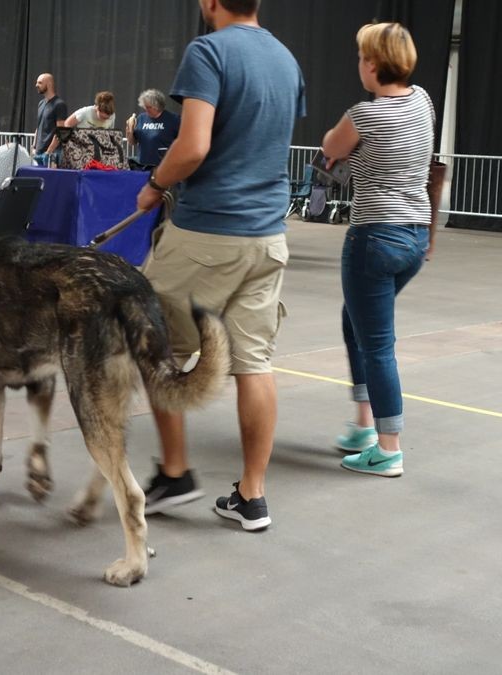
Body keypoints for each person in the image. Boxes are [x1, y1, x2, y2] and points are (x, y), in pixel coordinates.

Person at [135, 0, 305, 532]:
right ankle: (252, 496)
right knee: (253, 363)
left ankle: (177, 472)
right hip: (268, 238)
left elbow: (194, 145)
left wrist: (156, 184)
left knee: (150, 340)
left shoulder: (207, 51)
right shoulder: (286, 59)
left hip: (209, 232)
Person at [320, 22, 435, 478]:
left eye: (361, 57)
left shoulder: (366, 115)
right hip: (414, 234)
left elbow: (331, 147)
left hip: (374, 236)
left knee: (379, 345)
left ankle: (388, 448)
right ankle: (364, 425)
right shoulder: (422, 99)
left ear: (372, 64)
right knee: (357, 324)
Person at [124, 88, 180, 171]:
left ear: (157, 106)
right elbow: (133, 142)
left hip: (162, 166)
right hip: (142, 165)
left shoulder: (174, 119)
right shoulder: (141, 118)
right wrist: (129, 130)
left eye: (148, 107)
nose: (145, 109)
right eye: (144, 106)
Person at [32, 73, 68, 167]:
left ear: (48, 84)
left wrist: (49, 152)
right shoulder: (41, 104)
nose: (36, 85)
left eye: (40, 83)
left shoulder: (59, 104)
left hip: (52, 154)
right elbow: (38, 126)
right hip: (38, 152)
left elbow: (60, 132)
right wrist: (34, 146)